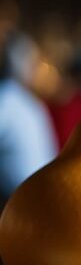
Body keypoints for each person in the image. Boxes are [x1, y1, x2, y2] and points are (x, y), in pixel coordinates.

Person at [0, 31, 57, 204]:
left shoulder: (29, 101)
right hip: (14, 205)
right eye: (31, 61)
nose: (35, 68)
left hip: (36, 199)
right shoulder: (6, 97)